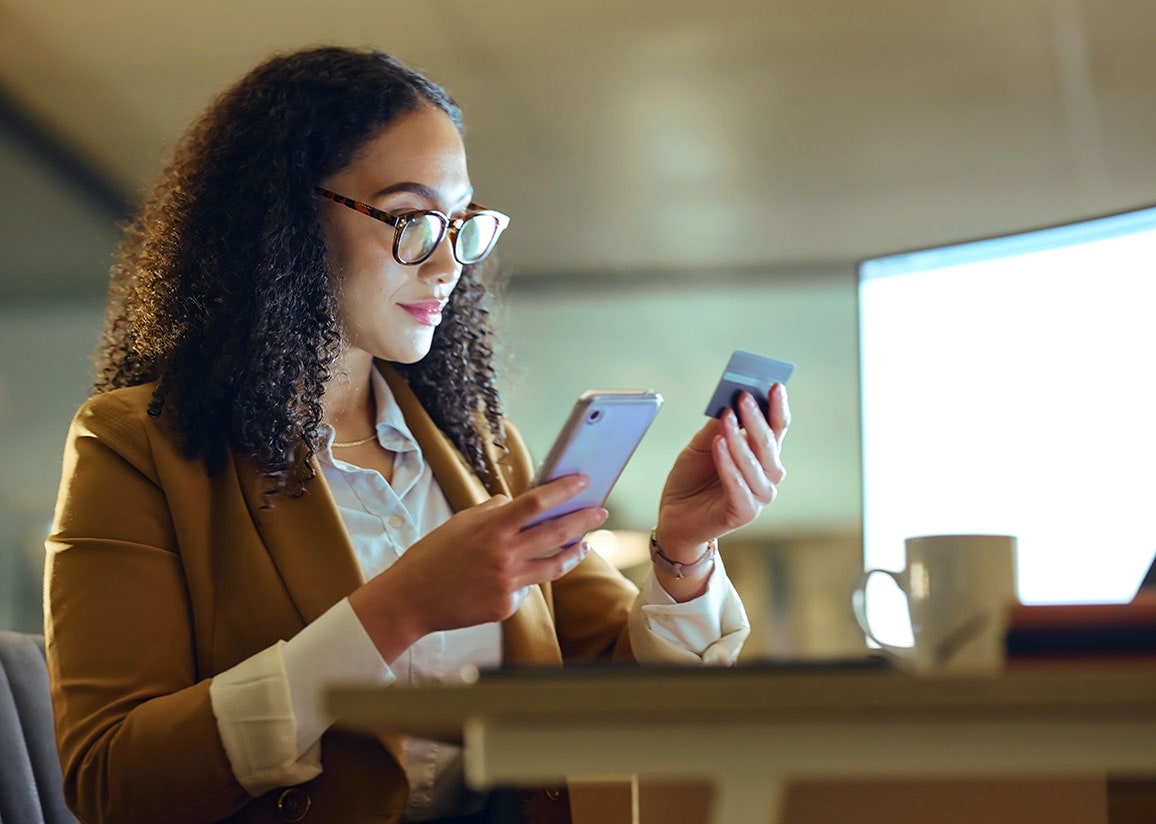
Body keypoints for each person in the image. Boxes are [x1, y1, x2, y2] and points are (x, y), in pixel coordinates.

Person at [44, 46, 791, 824]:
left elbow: (624, 691)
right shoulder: (135, 445)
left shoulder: (479, 447)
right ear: (286, 216)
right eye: (411, 219)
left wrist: (683, 554)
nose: (446, 265)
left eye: (461, 224)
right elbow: (114, 782)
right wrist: (396, 611)